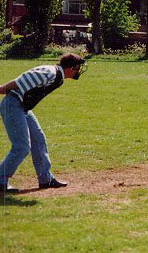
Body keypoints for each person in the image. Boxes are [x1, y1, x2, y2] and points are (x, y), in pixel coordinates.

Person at [0, 53, 87, 194]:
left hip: (22, 107)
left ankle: (46, 179)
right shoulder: (50, 72)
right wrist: (3, 88)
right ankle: (1, 179)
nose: (79, 70)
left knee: (39, 140)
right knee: (22, 146)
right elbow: (21, 81)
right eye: (78, 68)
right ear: (71, 68)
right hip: (13, 104)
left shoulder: (58, 76)